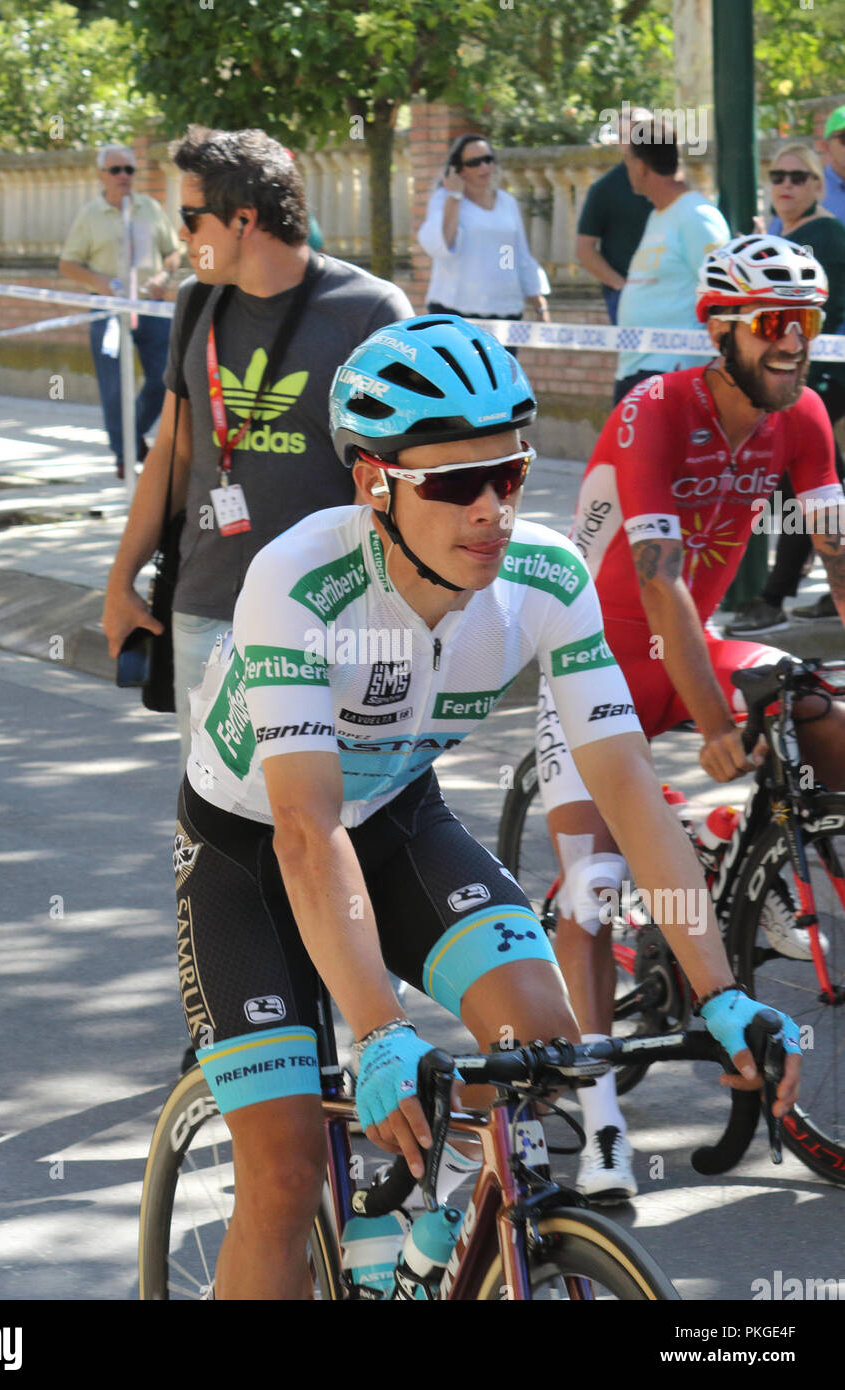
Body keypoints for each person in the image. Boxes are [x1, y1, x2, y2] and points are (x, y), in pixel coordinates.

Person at [173, 312, 801, 1298]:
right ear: (373, 482)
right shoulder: (297, 581)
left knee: (543, 1047)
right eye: (454, 484)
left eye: (506, 476)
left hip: (393, 819)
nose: (489, 512)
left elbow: (626, 784)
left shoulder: (544, 575)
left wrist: (719, 988)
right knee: (286, 1172)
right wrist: (380, 1031)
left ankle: (409, 1206)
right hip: (253, 853)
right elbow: (304, 827)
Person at [535, 235, 845, 1200]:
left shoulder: (803, 419)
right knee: (587, 892)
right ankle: (601, 1124)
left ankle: (777, 861)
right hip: (597, 657)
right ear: (723, 331)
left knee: (817, 707)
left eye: (811, 322)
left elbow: (840, 553)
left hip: (691, 644)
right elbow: (661, 585)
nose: (797, 343)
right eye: (776, 325)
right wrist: (713, 720)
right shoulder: (654, 410)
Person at [101, 127, 412, 761]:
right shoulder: (196, 304)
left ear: (243, 220)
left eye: (191, 219)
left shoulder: (371, 313)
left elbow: (405, 476)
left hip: (331, 614)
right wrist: (120, 579)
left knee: (326, 818)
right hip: (207, 606)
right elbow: (173, 452)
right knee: (214, 820)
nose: (181, 236)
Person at [728, 147, 845, 634]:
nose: (787, 184)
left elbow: (823, 312)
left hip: (827, 373)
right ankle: (823, 596)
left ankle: (774, 597)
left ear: (819, 186)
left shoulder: (827, 236)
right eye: (778, 175)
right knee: (819, 484)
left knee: (800, 483)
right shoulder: (781, 236)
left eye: (799, 176)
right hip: (806, 372)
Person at [59, 145, 182, 480]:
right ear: (101, 175)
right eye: (116, 170)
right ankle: (124, 455)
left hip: (150, 306)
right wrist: (99, 281)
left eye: (129, 169)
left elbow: (172, 252)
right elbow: (67, 264)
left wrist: (164, 276)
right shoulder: (90, 215)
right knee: (113, 387)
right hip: (108, 310)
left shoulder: (151, 208)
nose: (124, 176)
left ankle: (132, 436)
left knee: (164, 377)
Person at [613, 117, 730, 405]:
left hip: (674, 371)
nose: (625, 168)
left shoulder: (696, 216)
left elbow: (724, 293)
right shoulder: (658, 214)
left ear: (641, 166)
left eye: (626, 160)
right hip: (636, 367)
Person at [416, 133, 550, 328]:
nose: (484, 167)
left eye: (488, 160)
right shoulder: (444, 199)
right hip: (455, 310)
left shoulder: (507, 201)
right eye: (474, 162)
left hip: (506, 310)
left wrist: (539, 304)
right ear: (458, 168)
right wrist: (454, 195)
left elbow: (520, 254)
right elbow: (441, 245)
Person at [576, 107, 654, 323]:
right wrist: (622, 286)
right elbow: (584, 249)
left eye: (640, 133)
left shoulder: (671, 183)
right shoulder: (605, 188)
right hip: (627, 297)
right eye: (624, 136)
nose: (632, 141)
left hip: (671, 295)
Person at [765, 105, 845, 233]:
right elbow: (779, 242)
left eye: (797, 177)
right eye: (844, 138)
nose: (787, 183)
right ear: (825, 146)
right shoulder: (809, 187)